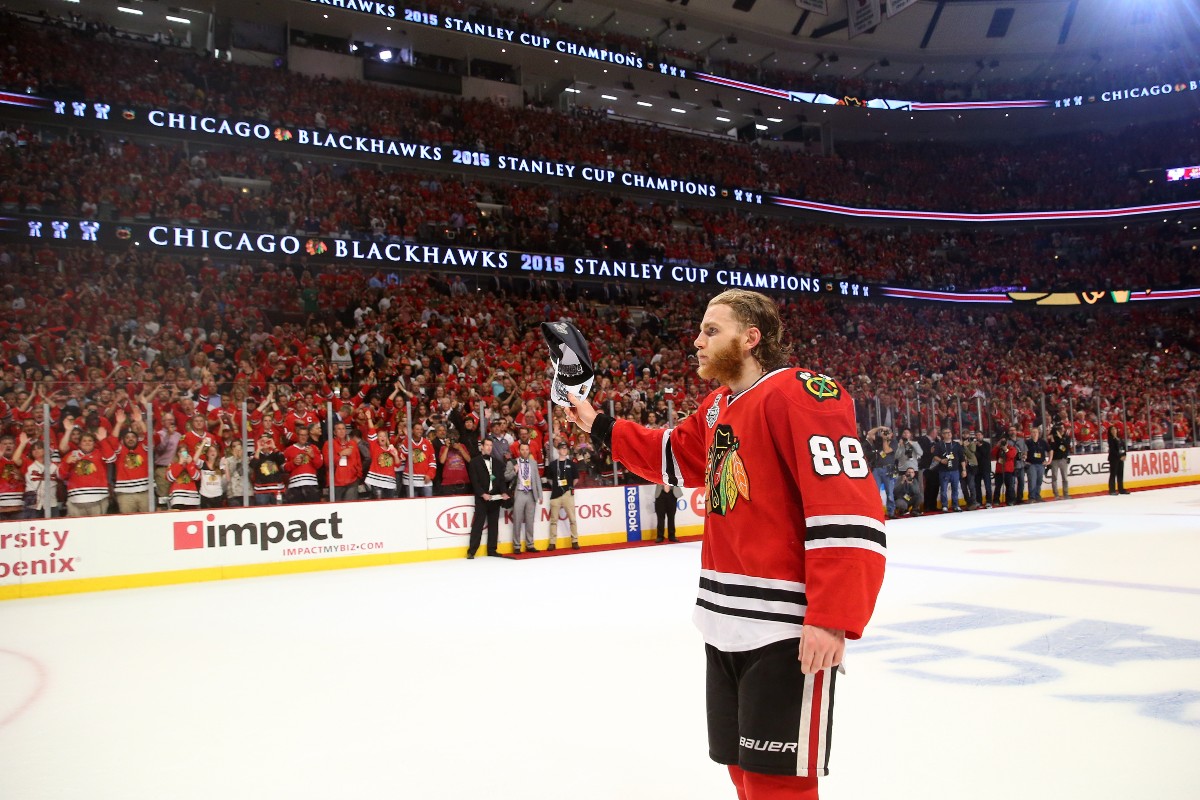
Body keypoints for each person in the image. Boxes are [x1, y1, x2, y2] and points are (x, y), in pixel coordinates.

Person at [566, 289, 885, 800]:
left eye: (711, 331)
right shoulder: (719, 406)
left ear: (750, 337)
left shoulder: (799, 395)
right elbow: (673, 455)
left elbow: (848, 511)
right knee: (741, 772)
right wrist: (594, 421)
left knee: (778, 784)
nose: (697, 341)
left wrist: (832, 617)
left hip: (784, 626)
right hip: (725, 620)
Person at [466, 438, 507, 559]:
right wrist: (482, 494)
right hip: (482, 498)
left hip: (495, 498)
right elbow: (475, 481)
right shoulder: (474, 462)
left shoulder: (498, 463)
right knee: (478, 524)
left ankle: (492, 549)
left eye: (491, 445)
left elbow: (500, 481)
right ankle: (472, 551)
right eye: (487, 445)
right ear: (482, 447)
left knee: (494, 525)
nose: (489, 447)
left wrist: (504, 492)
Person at [508, 441, 544, 554]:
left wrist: (540, 494)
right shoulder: (513, 462)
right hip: (519, 493)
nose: (524, 451)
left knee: (530, 520)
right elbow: (506, 477)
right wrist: (515, 470)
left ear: (529, 451)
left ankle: (530, 544)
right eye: (522, 449)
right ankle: (517, 545)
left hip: (530, 493)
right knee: (517, 520)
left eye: (526, 450)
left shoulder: (533, 463)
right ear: (519, 451)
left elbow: (537, 479)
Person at [546, 441, 580, 550]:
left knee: (572, 519)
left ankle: (574, 541)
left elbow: (576, 478)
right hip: (555, 495)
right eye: (562, 448)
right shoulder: (552, 464)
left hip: (567, 494)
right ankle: (552, 542)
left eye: (565, 448)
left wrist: (569, 487)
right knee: (553, 520)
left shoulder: (572, 464)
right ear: (558, 450)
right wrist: (556, 486)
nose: (564, 450)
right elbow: (549, 479)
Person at [862, 425, 897, 518]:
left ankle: (891, 512)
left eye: (888, 432)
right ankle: (877, 512)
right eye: (885, 432)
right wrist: (880, 428)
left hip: (888, 469)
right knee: (875, 492)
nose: (886, 434)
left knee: (889, 493)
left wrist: (885, 439)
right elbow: (869, 434)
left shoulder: (894, 442)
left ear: (892, 434)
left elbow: (886, 450)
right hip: (876, 469)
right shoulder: (878, 440)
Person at [931, 428, 966, 512]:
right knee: (943, 489)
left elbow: (962, 458)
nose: (949, 434)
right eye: (946, 433)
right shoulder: (939, 445)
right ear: (942, 435)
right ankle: (945, 505)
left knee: (955, 489)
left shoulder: (956, 445)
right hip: (943, 470)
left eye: (950, 432)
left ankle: (955, 505)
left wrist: (964, 469)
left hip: (955, 470)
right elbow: (934, 456)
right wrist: (941, 460)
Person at [1047, 422, 1072, 500]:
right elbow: (1053, 448)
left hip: (1063, 459)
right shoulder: (1053, 437)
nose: (1061, 430)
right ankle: (1056, 494)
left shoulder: (1067, 437)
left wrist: (1061, 439)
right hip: (1054, 460)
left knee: (1065, 477)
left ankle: (1066, 493)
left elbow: (1067, 447)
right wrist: (1054, 440)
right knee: (1054, 477)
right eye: (1059, 429)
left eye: (1062, 428)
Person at [1025, 426, 1049, 502]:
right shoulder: (1028, 442)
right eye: (1033, 432)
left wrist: (1049, 461)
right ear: (1031, 433)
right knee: (1032, 481)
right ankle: (1032, 497)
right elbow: (1022, 451)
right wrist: (1024, 460)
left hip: (1041, 464)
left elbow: (1050, 450)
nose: (1035, 434)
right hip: (1031, 464)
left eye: (1036, 432)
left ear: (1039, 433)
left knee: (1039, 481)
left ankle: (1037, 496)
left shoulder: (1042, 442)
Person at [1107, 425, 1130, 495]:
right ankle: (1112, 490)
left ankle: (1121, 489)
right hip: (1114, 458)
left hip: (1121, 458)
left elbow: (1123, 447)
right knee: (1113, 474)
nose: (1114, 431)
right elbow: (1113, 450)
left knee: (1120, 474)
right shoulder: (1111, 440)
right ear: (1110, 432)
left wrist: (1124, 455)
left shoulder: (1119, 439)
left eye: (1115, 429)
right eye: (1112, 430)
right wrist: (1120, 456)